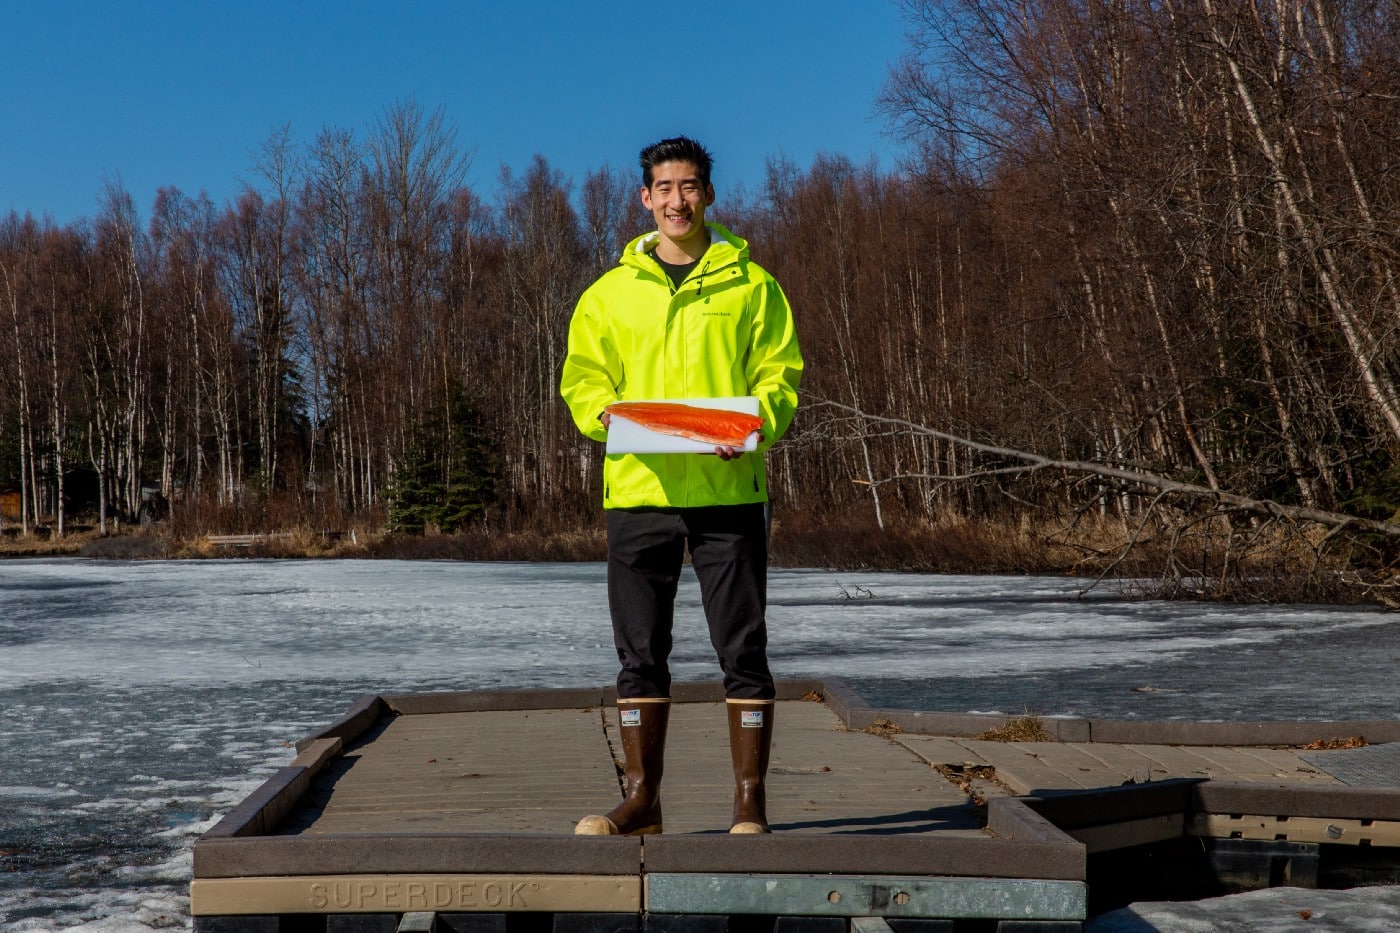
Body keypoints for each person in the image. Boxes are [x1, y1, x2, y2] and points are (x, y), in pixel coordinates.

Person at [560, 136, 802, 835]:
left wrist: (755, 425)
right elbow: (583, 378)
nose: (677, 200)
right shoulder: (609, 294)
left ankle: (750, 802)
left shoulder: (753, 286)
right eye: (664, 188)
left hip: (728, 492)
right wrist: (602, 416)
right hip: (640, 493)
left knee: (743, 649)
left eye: (689, 186)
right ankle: (642, 801)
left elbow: (780, 375)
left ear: (708, 194)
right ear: (645, 198)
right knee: (639, 653)